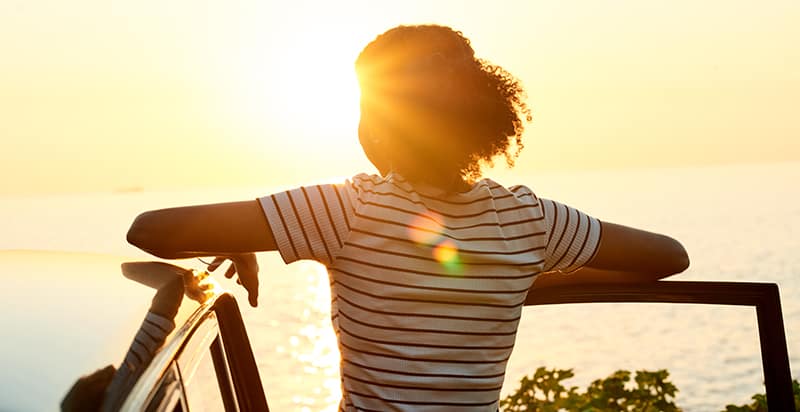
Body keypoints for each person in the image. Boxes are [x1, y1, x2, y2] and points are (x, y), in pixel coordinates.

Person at [127, 24, 689, 412]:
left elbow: (150, 229)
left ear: (379, 123)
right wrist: (510, 279)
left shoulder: (344, 210)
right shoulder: (528, 221)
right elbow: (668, 257)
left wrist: (242, 242)